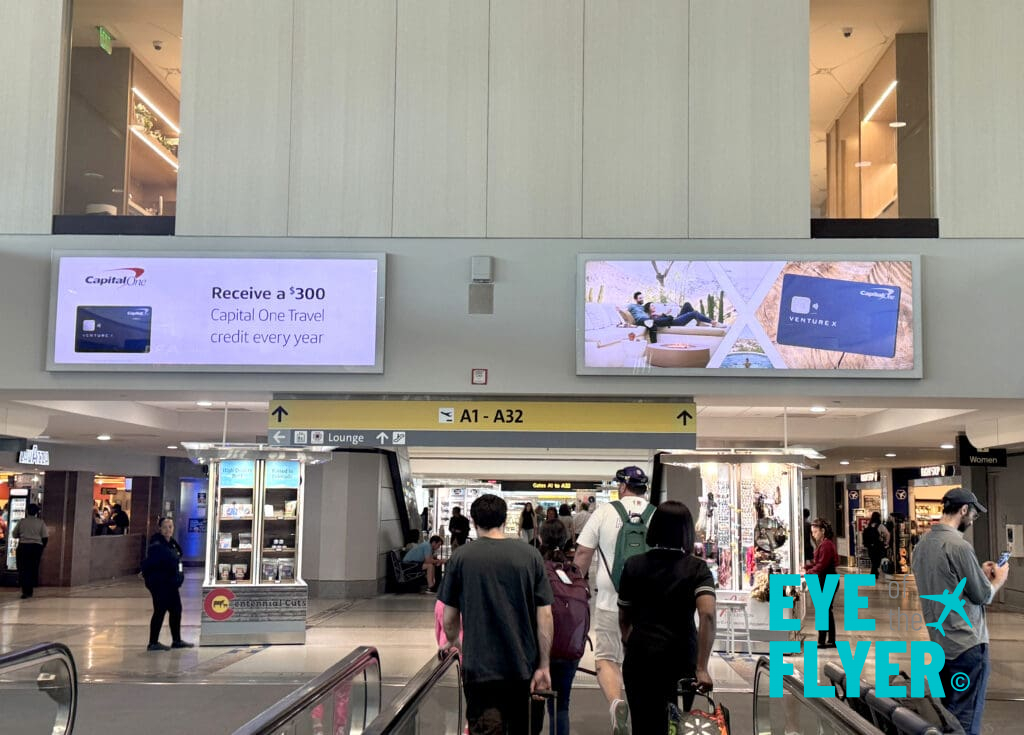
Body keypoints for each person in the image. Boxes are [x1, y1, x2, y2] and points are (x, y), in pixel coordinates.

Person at [438, 494, 553, 734]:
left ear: (473, 521)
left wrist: (457, 643)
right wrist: (543, 664)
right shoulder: (530, 556)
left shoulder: (460, 558)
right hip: (523, 668)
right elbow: (545, 617)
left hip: (479, 670)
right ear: (505, 519)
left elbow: (448, 619)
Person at [912, 488, 1008, 735]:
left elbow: (947, 581)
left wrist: (976, 572)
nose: (974, 519)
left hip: (940, 644)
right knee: (965, 719)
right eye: (974, 513)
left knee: (946, 715)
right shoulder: (959, 545)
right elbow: (982, 595)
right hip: (967, 646)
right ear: (964, 510)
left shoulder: (922, 544)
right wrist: (998, 580)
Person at [618, 501, 716, 735]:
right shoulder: (697, 569)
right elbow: (708, 614)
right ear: (687, 531)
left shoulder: (634, 565)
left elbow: (624, 615)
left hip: (640, 657)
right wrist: (701, 667)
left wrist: (629, 641)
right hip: (681, 659)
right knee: (676, 725)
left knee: (643, 725)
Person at [574, 465, 654, 735]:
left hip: (611, 600)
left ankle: (617, 703)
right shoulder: (657, 514)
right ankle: (644, 711)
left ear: (622, 486)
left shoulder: (605, 512)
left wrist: (577, 585)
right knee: (644, 661)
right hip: (649, 605)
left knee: (607, 659)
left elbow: (584, 552)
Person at [537, 518, 584, 735]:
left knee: (534, 703)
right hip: (569, 647)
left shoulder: (536, 567)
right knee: (561, 704)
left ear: (539, 538)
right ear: (565, 539)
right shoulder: (574, 570)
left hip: (539, 647)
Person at [140, 516, 192, 650]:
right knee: (160, 610)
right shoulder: (156, 545)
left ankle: (176, 640)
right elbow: (162, 563)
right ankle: (153, 642)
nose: (168, 530)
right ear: (160, 529)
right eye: (165, 527)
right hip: (160, 584)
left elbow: (177, 560)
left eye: (170, 527)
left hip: (171, 584)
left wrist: (179, 576)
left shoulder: (172, 544)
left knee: (176, 610)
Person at [804, 518, 839, 648]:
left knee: (824, 610)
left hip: (827, 579)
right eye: (812, 532)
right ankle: (827, 639)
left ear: (822, 531)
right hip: (826, 578)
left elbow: (822, 565)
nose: (813, 534)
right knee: (825, 610)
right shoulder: (824, 543)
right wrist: (807, 568)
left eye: (815, 531)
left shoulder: (826, 545)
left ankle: (824, 640)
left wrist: (808, 572)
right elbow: (819, 563)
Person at [12, 503, 48, 599]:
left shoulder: (22, 522)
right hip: (36, 547)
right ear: (37, 512)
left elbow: (14, 534)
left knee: (23, 568)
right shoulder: (41, 522)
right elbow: (45, 537)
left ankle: (25, 590)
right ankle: (30, 590)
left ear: (27, 511)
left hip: (23, 547)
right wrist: (41, 548)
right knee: (33, 568)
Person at [862, 511, 885, 577]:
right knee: (877, 562)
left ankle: (875, 574)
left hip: (870, 547)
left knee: (873, 561)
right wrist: (886, 542)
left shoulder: (868, 526)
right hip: (877, 546)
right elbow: (887, 534)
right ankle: (873, 574)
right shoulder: (880, 526)